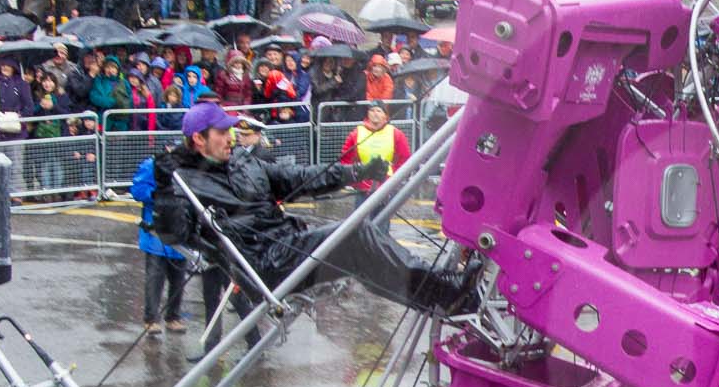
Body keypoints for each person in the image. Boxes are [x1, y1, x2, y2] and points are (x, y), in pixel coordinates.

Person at [150, 103, 478, 314]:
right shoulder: (184, 183)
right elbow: (174, 232)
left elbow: (301, 178)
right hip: (264, 266)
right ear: (198, 140)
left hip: (287, 244)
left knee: (359, 253)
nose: (231, 138)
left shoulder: (243, 163)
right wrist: (164, 188)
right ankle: (443, 288)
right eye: (222, 133)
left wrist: (356, 172)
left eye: (231, 130)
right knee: (356, 234)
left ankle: (439, 298)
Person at [130, 152, 191, 335]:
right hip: (157, 229)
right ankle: (151, 319)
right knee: (155, 277)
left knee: (178, 277)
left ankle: (173, 316)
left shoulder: (191, 164)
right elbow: (138, 190)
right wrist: (158, 195)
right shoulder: (152, 165)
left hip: (181, 228)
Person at [338, 103, 412, 195]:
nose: (375, 113)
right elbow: (345, 160)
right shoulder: (356, 133)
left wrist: (394, 179)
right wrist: (356, 181)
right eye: (372, 110)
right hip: (363, 188)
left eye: (378, 111)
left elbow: (405, 159)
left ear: (385, 115)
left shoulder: (396, 134)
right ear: (368, 114)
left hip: (388, 186)